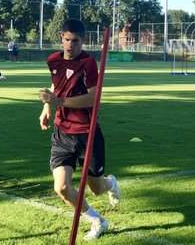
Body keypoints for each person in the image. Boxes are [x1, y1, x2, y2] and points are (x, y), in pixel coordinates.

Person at [39, 19, 121, 241]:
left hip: (88, 134)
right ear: (61, 38)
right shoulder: (53, 60)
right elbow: (57, 85)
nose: (70, 45)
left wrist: (58, 101)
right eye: (67, 40)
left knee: (96, 188)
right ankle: (97, 220)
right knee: (62, 187)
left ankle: (110, 183)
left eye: (75, 41)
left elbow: (94, 99)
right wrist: (48, 106)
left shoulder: (88, 64)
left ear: (83, 41)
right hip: (62, 133)